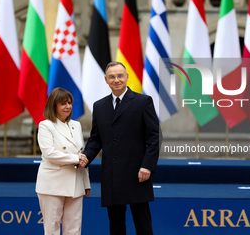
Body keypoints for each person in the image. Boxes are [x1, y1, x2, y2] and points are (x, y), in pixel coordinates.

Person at [80, 61, 161, 235]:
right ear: (106, 80)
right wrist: (85, 157)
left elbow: (154, 137)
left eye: (120, 76)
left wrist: (147, 165)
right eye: (112, 77)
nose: (116, 80)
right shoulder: (99, 106)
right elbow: (95, 139)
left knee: (143, 225)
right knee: (116, 226)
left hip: (137, 174)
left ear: (127, 77)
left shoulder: (143, 101)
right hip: (112, 176)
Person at [36, 87, 91, 235]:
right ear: (53, 106)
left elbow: (81, 154)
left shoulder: (76, 125)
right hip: (52, 184)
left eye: (69, 103)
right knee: (52, 229)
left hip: (76, 183)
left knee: (74, 229)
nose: (68, 106)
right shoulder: (45, 125)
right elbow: (49, 153)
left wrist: (86, 182)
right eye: (63, 103)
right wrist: (75, 158)